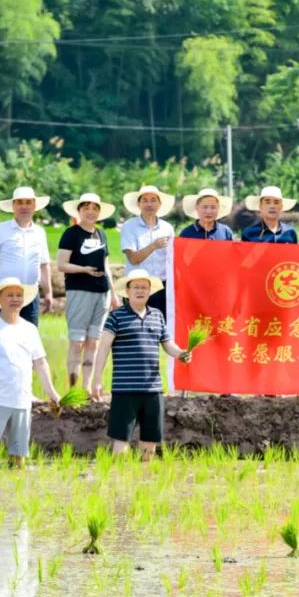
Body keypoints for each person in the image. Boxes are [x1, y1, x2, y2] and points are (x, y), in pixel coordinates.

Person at [91, 270, 192, 459]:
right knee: (121, 441)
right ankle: (119, 481)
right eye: (136, 287)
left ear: (150, 291)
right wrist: (96, 380)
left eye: (144, 287)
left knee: (150, 442)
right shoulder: (116, 317)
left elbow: (168, 344)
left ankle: (143, 481)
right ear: (127, 291)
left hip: (153, 390)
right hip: (125, 389)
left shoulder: (157, 315)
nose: (140, 291)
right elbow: (103, 348)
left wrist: (181, 353)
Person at [0, 278, 61, 468]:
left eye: (19, 295)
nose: (15, 299)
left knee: (18, 459)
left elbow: (41, 364)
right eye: (10, 295)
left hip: (21, 401)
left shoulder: (30, 329)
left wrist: (52, 393)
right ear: (0, 299)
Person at [57, 193, 119, 391]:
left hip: (102, 293)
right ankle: (73, 391)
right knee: (77, 343)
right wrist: (84, 270)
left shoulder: (101, 234)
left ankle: (87, 387)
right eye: (86, 208)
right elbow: (61, 264)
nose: (91, 212)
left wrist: (114, 293)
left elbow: (106, 265)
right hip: (79, 291)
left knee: (94, 343)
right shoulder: (71, 233)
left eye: (95, 209)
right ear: (79, 211)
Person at [0, 186, 53, 327]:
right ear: (13, 206)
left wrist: (48, 293)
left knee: (29, 335)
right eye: (20, 202)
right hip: (5, 292)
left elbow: (44, 265)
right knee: (2, 333)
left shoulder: (39, 232)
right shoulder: (1, 229)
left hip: (31, 292)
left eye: (28, 202)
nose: (24, 206)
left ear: (34, 206)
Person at [121, 185, 177, 316]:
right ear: (138, 204)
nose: (149, 204)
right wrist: (153, 246)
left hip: (162, 288)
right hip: (137, 287)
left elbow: (173, 259)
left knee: (160, 329)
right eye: (144, 200)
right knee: (135, 328)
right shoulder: (129, 226)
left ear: (159, 204)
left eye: (153, 200)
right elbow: (133, 259)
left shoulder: (167, 228)